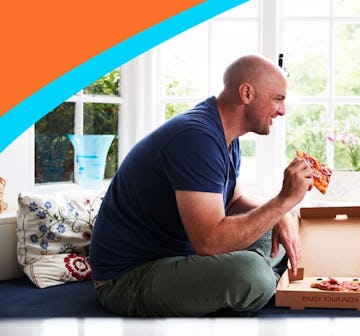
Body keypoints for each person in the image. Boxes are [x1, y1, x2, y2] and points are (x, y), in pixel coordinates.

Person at [89, 54, 314, 317]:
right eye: (278, 99)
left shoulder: (226, 135)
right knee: (253, 274)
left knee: (274, 231)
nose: (283, 110)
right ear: (247, 93)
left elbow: (233, 201)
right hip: (127, 278)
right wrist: (282, 201)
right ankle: (254, 281)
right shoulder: (196, 138)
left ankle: (242, 282)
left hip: (179, 256)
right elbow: (209, 243)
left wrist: (282, 214)